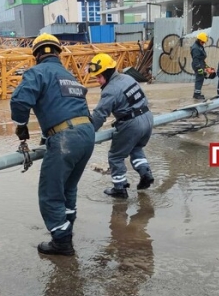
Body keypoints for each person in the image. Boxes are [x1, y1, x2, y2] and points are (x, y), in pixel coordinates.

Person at [10, 33, 95, 256]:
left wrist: (21, 125)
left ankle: (61, 241)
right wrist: (49, 136)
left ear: (37, 54)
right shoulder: (69, 76)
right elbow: (71, 106)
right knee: (68, 187)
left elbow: (19, 101)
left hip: (66, 138)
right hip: (87, 134)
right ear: (58, 52)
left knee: (50, 193)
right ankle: (67, 226)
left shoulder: (37, 72)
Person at [88, 53, 155, 199]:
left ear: (107, 72)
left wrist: (88, 131)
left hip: (131, 123)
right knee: (136, 148)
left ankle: (119, 188)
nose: (98, 80)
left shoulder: (110, 90)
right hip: (147, 117)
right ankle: (145, 173)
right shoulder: (128, 78)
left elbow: (100, 115)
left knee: (115, 156)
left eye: (99, 77)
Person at [190, 32, 209, 100]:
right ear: (199, 40)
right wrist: (199, 68)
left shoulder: (199, 46)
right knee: (199, 78)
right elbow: (196, 59)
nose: (203, 43)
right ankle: (197, 94)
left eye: (204, 42)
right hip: (197, 65)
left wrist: (205, 66)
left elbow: (201, 57)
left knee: (201, 78)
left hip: (201, 63)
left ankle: (197, 93)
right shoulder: (196, 48)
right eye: (202, 42)